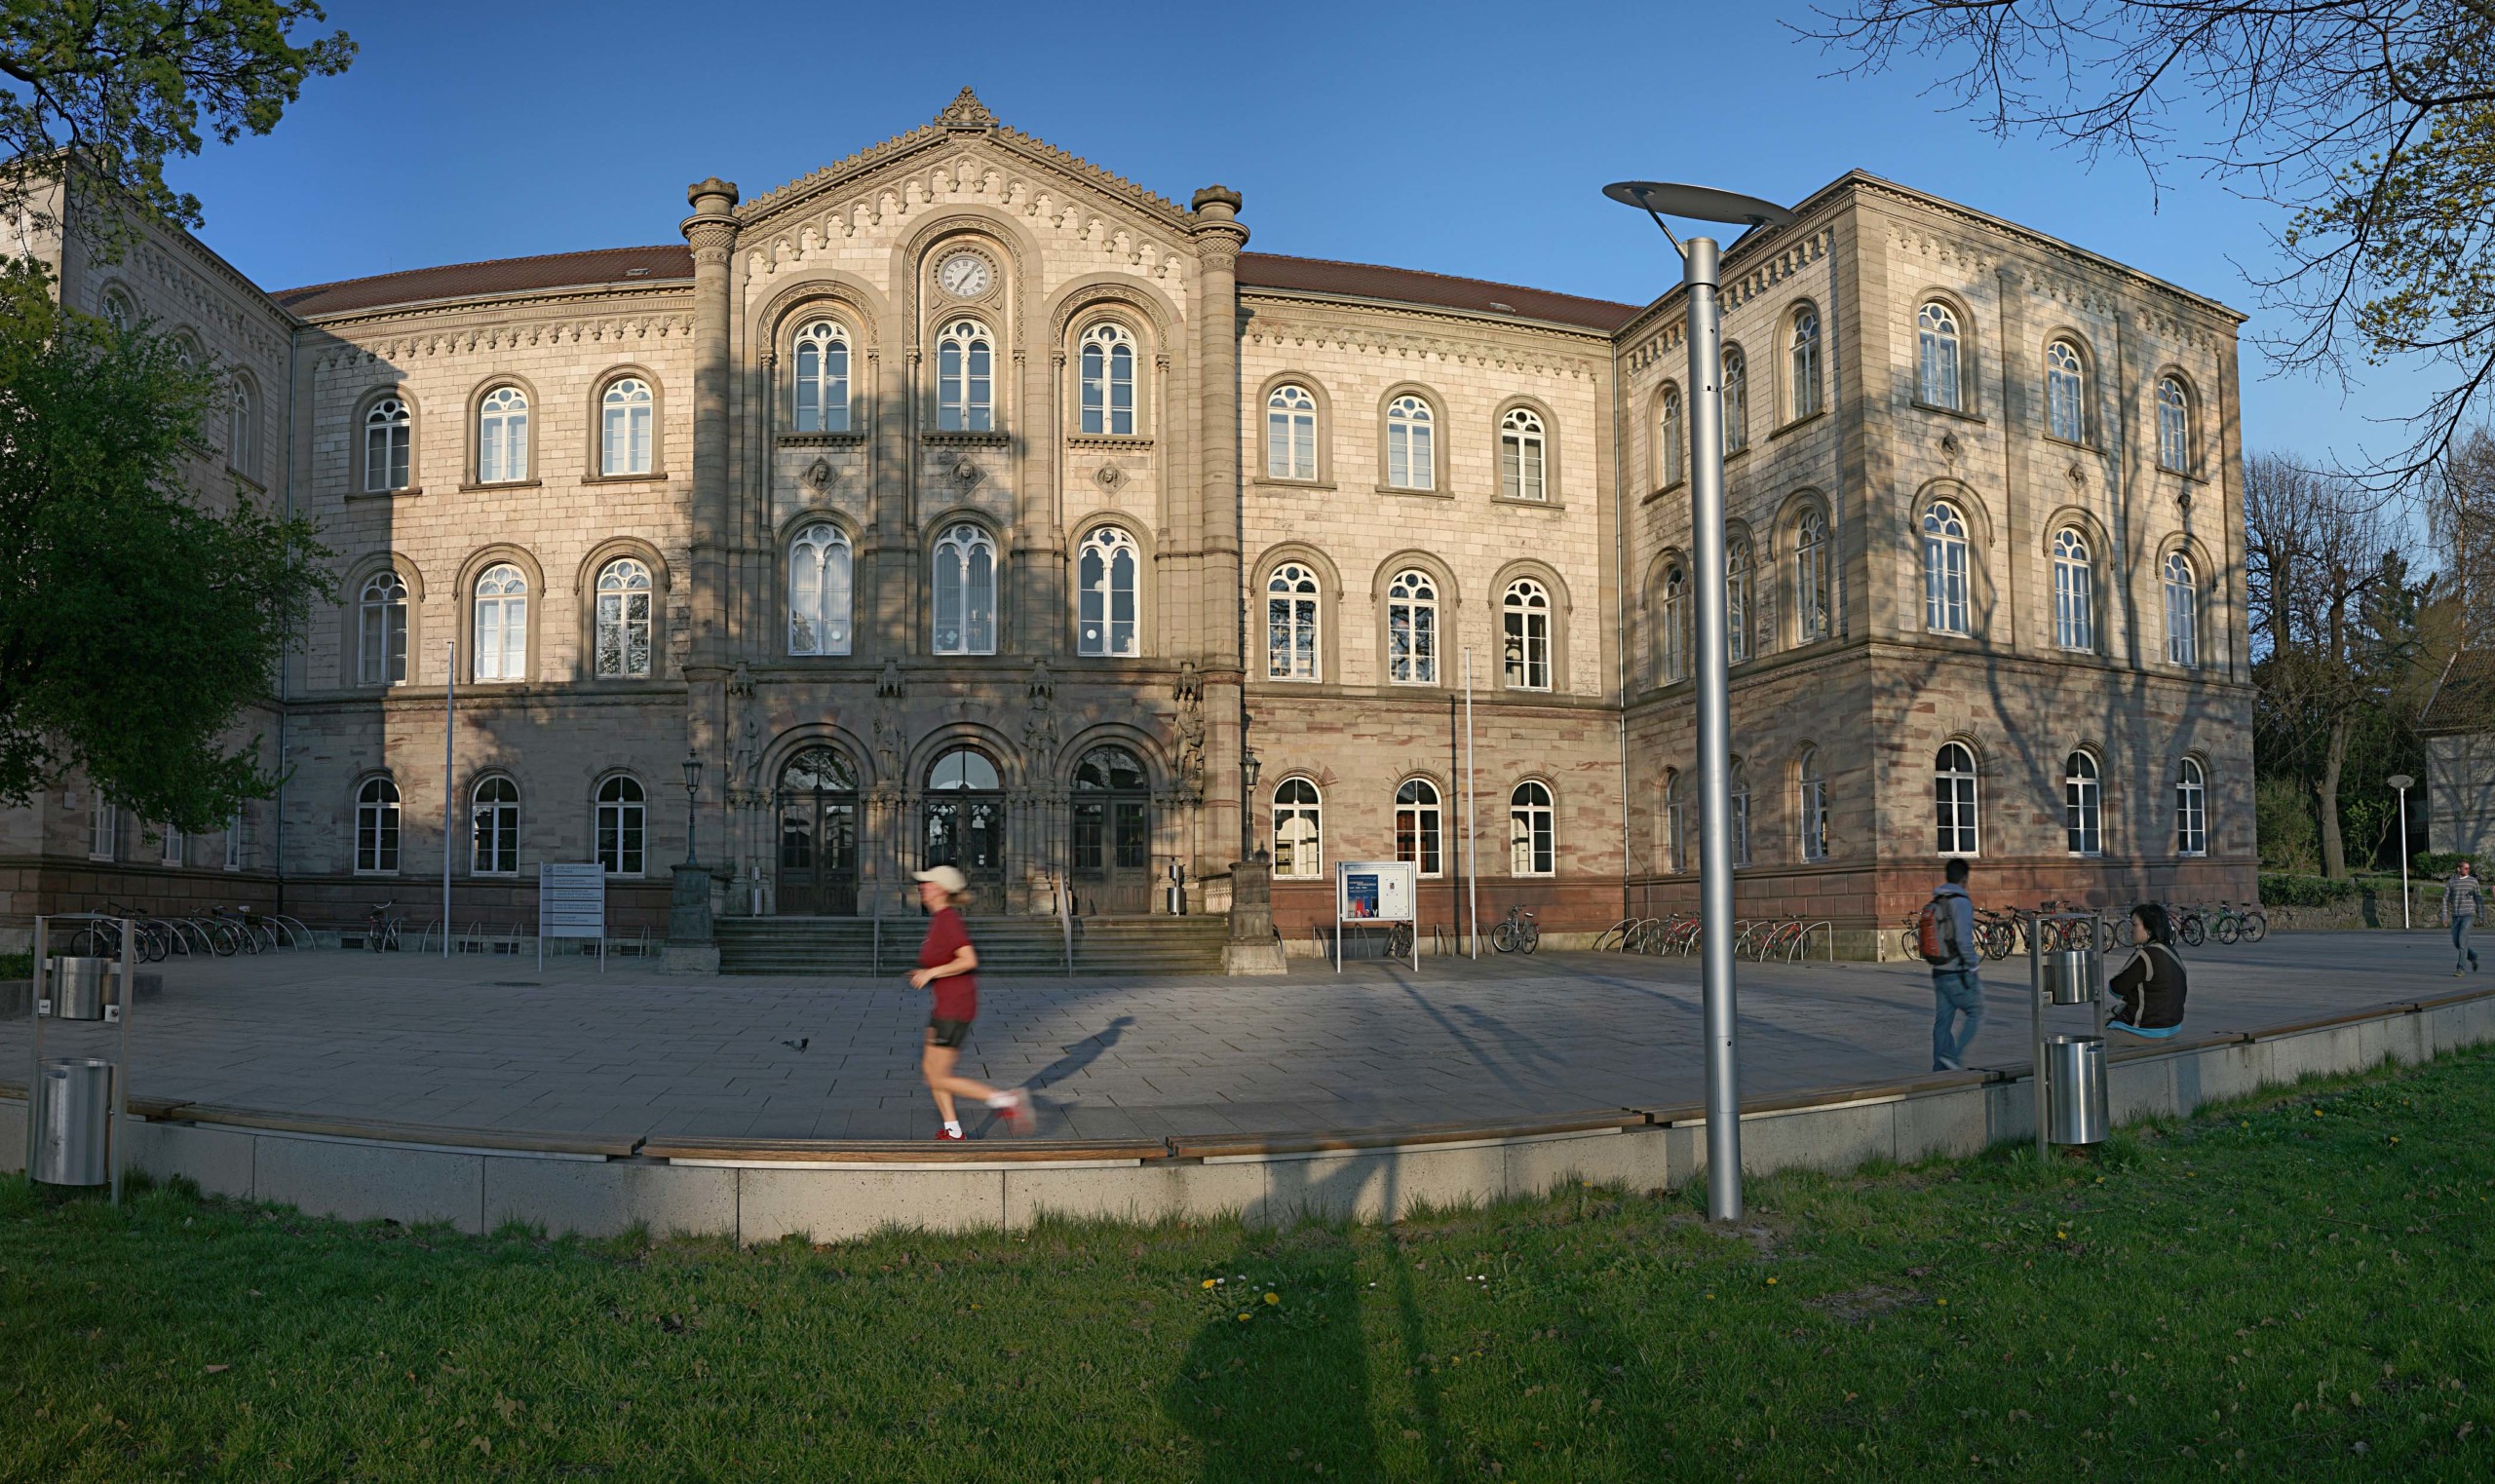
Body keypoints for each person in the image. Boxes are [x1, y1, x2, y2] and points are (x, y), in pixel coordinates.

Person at [907, 865, 1031, 1139]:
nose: (921, 886)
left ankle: (1005, 1100)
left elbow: (968, 960)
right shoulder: (940, 919)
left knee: (938, 1076)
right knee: (931, 1070)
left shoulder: (948, 919)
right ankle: (953, 1131)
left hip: (955, 1007)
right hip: (946, 1004)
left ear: (940, 889)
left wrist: (931, 972)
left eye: (927, 883)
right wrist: (927, 971)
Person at [1926, 857, 1984, 1071]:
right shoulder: (1960, 901)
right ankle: (1953, 1056)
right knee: (1976, 1011)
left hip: (1939, 969)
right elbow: (1963, 940)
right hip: (1956, 971)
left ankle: (1939, 1067)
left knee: (1943, 1020)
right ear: (1964, 878)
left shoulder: (1938, 899)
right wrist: (1973, 965)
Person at [2108, 902, 2189, 1037]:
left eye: (2134, 925)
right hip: (2173, 1027)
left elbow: (2115, 988)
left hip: (2147, 1030)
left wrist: (2132, 994)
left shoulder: (2145, 955)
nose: (2130, 930)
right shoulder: (2171, 952)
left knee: (2094, 1046)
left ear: (2149, 929)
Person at [2443, 859, 2481, 976]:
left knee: (2462, 940)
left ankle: (2461, 968)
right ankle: (2473, 956)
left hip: (2468, 915)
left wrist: (2481, 914)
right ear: (2458, 869)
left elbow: (2478, 898)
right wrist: (2444, 915)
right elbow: (2445, 899)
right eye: (2466, 868)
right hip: (2456, 915)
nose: (2468, 870)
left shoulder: (2473, 881)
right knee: (2456, 942)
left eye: (2469, 868)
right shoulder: (2451, 882)